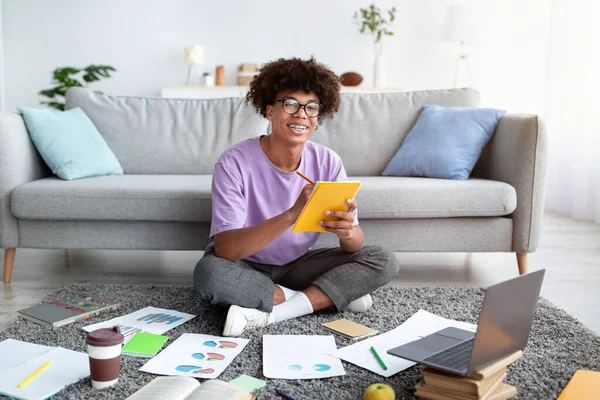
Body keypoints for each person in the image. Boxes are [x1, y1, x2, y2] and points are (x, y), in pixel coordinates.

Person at [194, 57, 399, 337]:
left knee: (383, 259)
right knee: (209, 274)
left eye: (311, 107)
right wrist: (293, 213)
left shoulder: (328, 161)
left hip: (297, 265)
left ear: (316, 118)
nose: (301, 114)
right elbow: (227, 251)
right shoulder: (234, 162)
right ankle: (326, 296)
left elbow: (355, 246)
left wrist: (348, 231)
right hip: (244, 265)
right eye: (290, 104)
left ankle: (278, 309)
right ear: (269, 111)